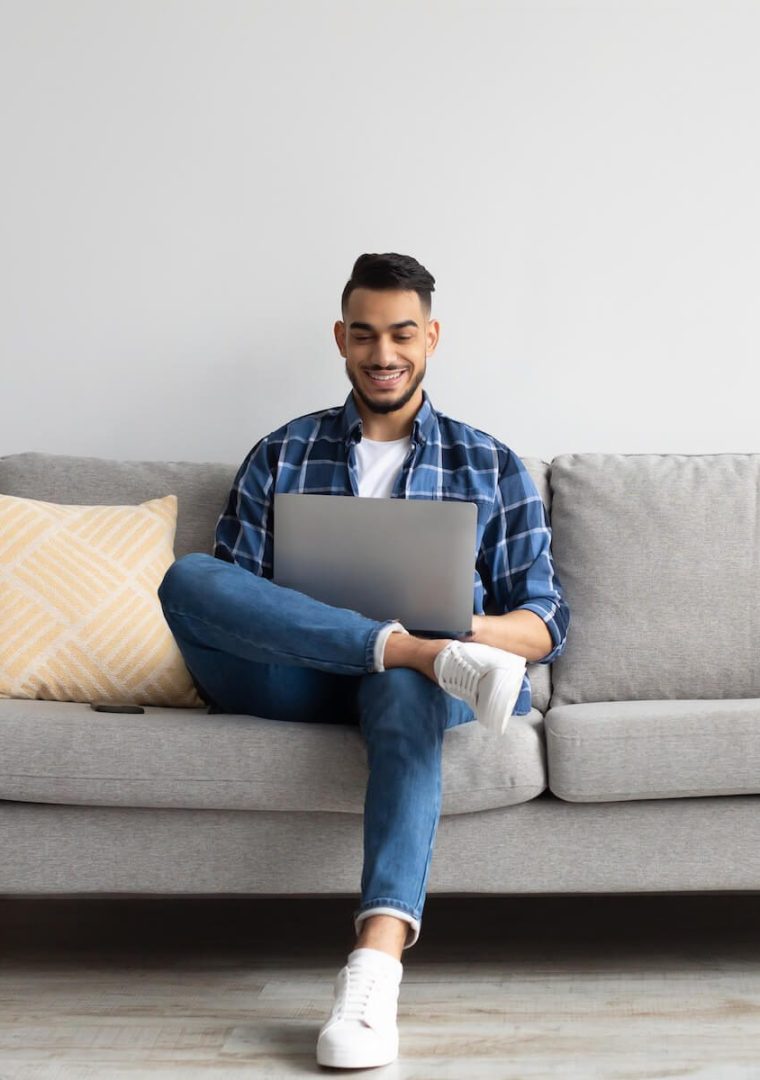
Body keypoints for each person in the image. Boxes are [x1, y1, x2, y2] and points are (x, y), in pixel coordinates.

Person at [157, 252, 570, 1069]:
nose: (385, 352)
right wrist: (414, 642)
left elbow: (546, 623)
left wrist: (466, 632)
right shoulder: (283, 450)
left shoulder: (488, 462)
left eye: (403, 333)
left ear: (432, 337)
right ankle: (411, 649)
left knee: (407, 690)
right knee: (189, 576)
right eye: (366, 333)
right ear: (341, 338)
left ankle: (373, 972)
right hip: (294, 675)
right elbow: (230, 598)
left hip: (421, 686)